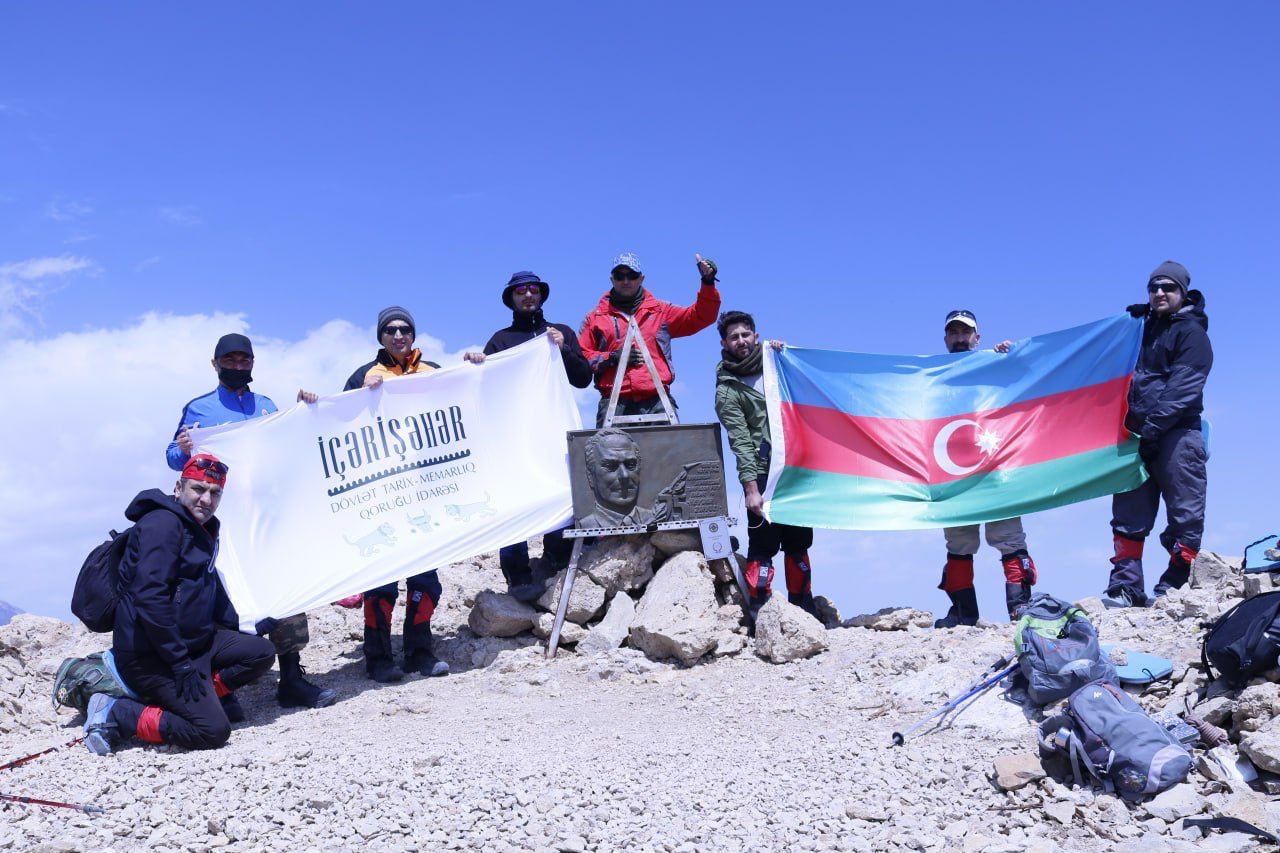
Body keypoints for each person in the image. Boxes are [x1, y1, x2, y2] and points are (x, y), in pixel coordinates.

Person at [167, 333, 335, 709]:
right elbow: (172, 459)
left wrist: (305, 412)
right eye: (231, 360)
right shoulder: (199, 408)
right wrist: (181, 450)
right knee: (222, 597)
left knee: (282, 587)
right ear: (215, 364)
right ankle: (222, 688)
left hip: (267, 517)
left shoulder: (267, 405)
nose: (239, 366)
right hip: (219, 520)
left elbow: (289, 443)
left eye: (245, 360)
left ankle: (291, 678)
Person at [83, 454, 277, 754]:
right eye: (198, 489)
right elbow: (150, 598)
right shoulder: (162, 525)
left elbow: (207, 587)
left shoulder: (204, 529)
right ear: (178, 487)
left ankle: (198, 697)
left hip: (192, 646)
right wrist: (180, 663)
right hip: (150, 656)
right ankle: (118, 713)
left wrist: (244, 628)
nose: (206, 499)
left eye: (215, 493)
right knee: (212, 731)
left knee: (261, 653)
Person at [463, 272, 592, 600]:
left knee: (563, 491)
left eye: (534, 289)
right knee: (513, 498)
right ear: (511, 298)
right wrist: (478, 365)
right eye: (520, 291)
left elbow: (583, 379)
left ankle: (556, 561)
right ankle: (517, 575)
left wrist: (564, 350)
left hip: (553, 428)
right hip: (515, 435)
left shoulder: (560, 333)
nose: (528, 295)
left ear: (542, 295)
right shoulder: (501, 341)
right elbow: (483, 392)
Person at [343, 306, 449, 682]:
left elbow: (463, 402)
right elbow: (339, 424)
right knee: (383, 580)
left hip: (425, 490)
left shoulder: (434, 370)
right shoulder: (363, 375)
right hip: (383, 490)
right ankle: (378, 659)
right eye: (390, 329)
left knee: (425, 578)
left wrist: (476, 366)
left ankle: (419, 653)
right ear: (380, 336)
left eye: (405, 329)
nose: (399, 335)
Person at [1104, 261, 1212, 608]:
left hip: (1177, 435)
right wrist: (1131, 326)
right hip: (1138, 437)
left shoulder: (1192, 334)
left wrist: (1154, 428)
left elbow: (1183, 388)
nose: (1160, 293)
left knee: (1185, 514)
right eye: (1154, 288)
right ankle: (1126, 586)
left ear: (1183, 293)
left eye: (1168, 288)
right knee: (1128, 513)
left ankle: (1175, 584)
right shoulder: (1143, 328)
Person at [933, 310, 1039, 627]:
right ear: (945, 338)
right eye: (953, 332)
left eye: (966, 332)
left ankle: (1021, 613)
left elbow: (1034, 376)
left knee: (1009, 539)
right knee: (959, 544)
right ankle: (965, 615)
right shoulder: (931, 377)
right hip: (952, 474)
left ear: (978, 337)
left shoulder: (996, 366)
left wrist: (1012, 357)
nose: (960, 337)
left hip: (996, 470)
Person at [713, 311, 819, 620]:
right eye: (734, 337)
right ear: (724, 343)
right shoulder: (727, 389)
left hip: (795, 466)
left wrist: (786, 355)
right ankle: (761, 611)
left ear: (756, 336)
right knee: (763, 542)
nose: (741, 341)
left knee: (799, 540)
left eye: (746, 334)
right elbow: (740, 441)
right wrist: (750, 489)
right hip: (760, 471)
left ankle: (804, 606)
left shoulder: (778, 365)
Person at [579, 251, 722, 427]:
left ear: (642, 278)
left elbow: (701, 316)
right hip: (613, 404)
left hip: (658, 402)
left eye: (632, 275)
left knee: (669, 455)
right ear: (611, 279)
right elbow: (582, 356)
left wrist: (707, 283)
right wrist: (613, 357)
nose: (626, 281)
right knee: (611, 455)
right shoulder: (594, 318)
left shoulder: (661, 312)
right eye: (619, 276)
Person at [578, 428, 660, 529]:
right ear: (590, 477)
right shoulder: (586, 525)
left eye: (630, 465)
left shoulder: (654, 517)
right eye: (610, 466)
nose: (624, 475)